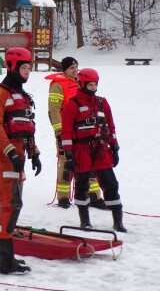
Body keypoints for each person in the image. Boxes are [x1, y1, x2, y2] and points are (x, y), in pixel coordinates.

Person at [0, 48, 41, 275]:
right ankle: (6, 262)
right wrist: (10, 152)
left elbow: (27, 129)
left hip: (17, 158)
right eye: (24, 68)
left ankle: (0, 255)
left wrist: (34, 153)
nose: (27, 72)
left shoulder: (24, 97)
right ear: (11, 66)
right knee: (10, 205)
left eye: (29, 68)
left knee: (7, 206)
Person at [60, 68, 127, 232]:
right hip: (81, 150)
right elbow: (66, 131)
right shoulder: (72, 105)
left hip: (102, 149)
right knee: (82, 185)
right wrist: (68, 154)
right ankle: (85, 220)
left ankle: (118, 221)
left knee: (111, 184)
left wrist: (115, 146)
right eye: (90, 85)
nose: (93, 88)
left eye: (95, 84)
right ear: (82, 83)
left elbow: (110, 126)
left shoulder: (102, 103)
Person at [46, 57, 106, 209]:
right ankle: (63, 197)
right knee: (66, 164)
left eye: (76, 67)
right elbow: (54, 110)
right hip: (66, 131)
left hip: (84, 131)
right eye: (72, 67)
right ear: (64, 69)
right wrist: (59, 131)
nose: (75, 70)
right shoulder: (58, 85)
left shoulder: (81, 83)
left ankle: (94, 196)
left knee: (90, 163)